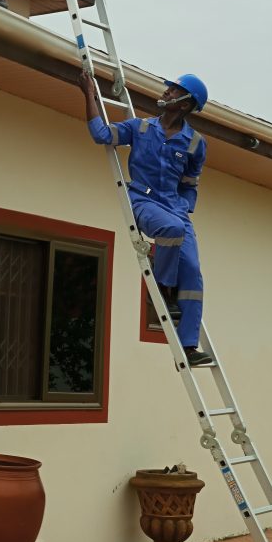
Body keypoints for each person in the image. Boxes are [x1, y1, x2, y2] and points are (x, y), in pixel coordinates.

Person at [79, 71, 212, 367]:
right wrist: (89, 93)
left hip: (176, 209)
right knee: (171, 229)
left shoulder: (195, 143)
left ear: (184, 104)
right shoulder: (140, 128)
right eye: (168, 88)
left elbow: (190, 183)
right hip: (144, 200)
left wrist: (185, 206)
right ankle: (162, 290)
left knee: (193, 272)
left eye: (173, 91)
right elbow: (101, 134)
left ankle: (188, 347)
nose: (166, 93)